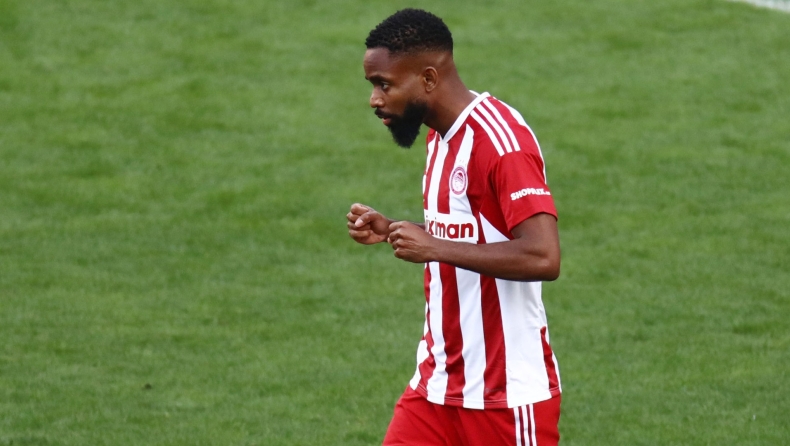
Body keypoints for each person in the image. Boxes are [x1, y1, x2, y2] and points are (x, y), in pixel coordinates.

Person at [347, 9, 562, 446]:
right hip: (435, 388)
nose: (374, 99)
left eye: (384, 84)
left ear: (428, 78)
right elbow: (470, 233)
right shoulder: (440, 137)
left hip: (504, 399)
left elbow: (543, 256)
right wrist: (394, 229)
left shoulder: (501, 144)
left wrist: (434, 248)